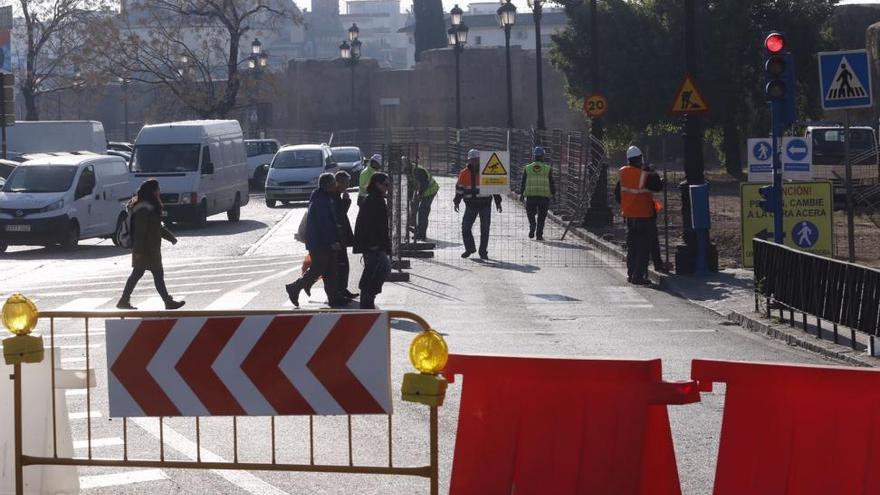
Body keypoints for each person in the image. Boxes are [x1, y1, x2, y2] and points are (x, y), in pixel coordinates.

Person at [116, 179, 185, 310]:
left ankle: (124, 300)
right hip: (147, 250)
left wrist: (171, 238)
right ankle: (167, 301)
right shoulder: (143, 209)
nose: (159, 192)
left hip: (149, 249)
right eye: (158, 189)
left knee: (141, 274)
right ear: (152, 192)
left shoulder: (149, 207)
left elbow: (156, 227)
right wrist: (139, 252)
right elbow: (140, 232)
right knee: (156, 275)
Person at [286, 173, 344, 307]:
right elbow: (324, 224)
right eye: (334, 183)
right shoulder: (321, 201)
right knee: (318, 269)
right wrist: (332, 242)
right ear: (329, 185)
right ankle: (294, 287)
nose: (336, 185)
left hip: (321, 242)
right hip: (320, 243)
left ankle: (333, 297)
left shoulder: (323, 197)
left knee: (330, 270)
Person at [614, 145, 662, 285]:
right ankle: (639, 276)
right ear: (640, 159)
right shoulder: (644, 174)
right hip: (644, 217)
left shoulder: (623, 174)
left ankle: (631, 273)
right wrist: (652, 171)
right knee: (643, 248)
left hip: (629, 217)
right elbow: (657, 186)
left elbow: (618, 195)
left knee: (632, 247)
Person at [454, 148, 502, 260]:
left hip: (485, 205)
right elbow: (459, 189)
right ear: (469, 161)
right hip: (470, 205)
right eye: (472, 160)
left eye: (476, 159)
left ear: (479, 160)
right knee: (465, 228)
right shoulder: (464, 173)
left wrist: (498, 202)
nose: (474, 162)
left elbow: (494, 188)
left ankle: (483, 252)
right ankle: (470, 249)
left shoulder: (487, 171)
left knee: (485, 229)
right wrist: (457, 201)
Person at [353, 172, 392, 309]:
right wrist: (374, 244)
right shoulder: (372, 200)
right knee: (378, 269)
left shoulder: (377, 199)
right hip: (372, 244)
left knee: (378, 269)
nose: (387, 187)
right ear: (377, 184)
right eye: (385, 184)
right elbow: (369, 225)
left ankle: (368, 298)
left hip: (375, 243)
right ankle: (367, 299)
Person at [519, 146, 555, 241]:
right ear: (543, 156)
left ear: (534, 156)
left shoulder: (527, 168)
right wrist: (553, 194)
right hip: (544, 197)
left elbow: (523, 182)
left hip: (531, 196)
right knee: (542, 217)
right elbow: (551, 182)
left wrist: (522, 194)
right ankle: (539, 235)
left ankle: (532, 225)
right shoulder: (548, 168)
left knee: (530, 213)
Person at [334, 170, 359, 300]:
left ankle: (342, 290)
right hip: (337, 237)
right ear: (339, 182)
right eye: (346, 183)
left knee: (343, 265)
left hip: (340, 236)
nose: (347, 186)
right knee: (341, 265)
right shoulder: (334, 195)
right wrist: (346, 202)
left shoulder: (337, 194)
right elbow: (338, 214)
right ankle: (340, 291)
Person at [408, 158, 439, 241]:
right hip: (422, 191)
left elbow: (424, 184)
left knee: (422, 212)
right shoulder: (409, 170)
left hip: (430, 190)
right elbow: (411, 185)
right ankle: (417, 228)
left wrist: (419, 195)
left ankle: (421, 234)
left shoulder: (418, 170)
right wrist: (411, 198)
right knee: (415, 208)